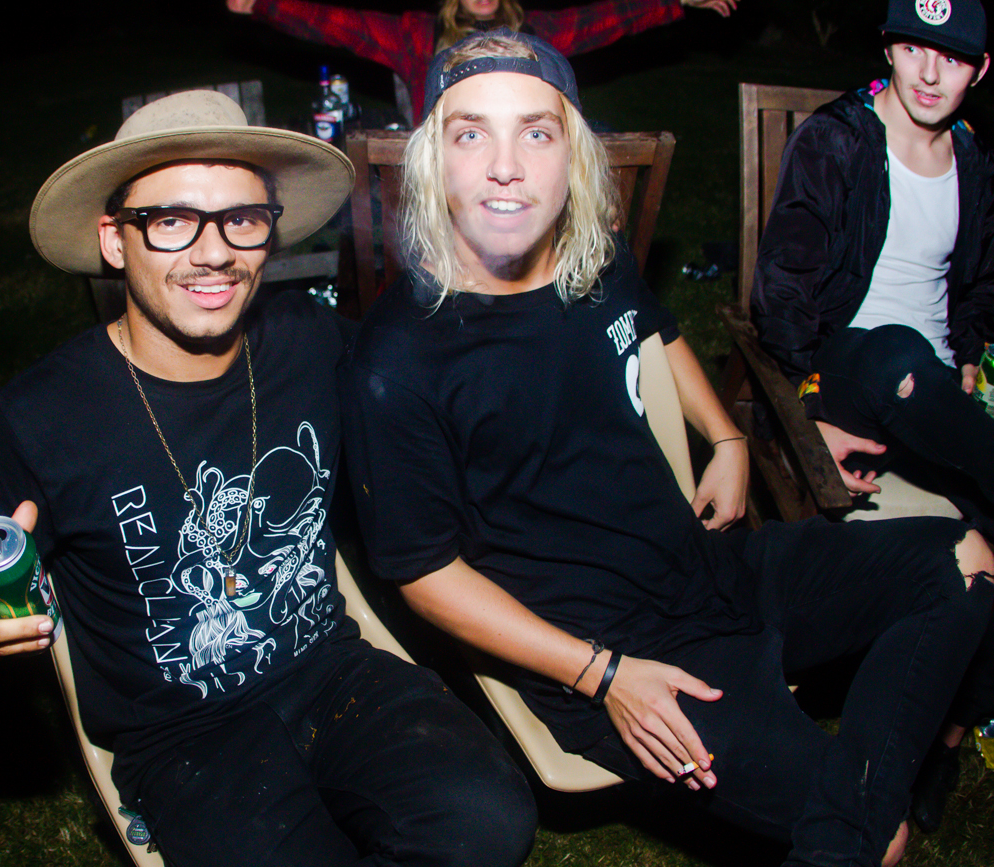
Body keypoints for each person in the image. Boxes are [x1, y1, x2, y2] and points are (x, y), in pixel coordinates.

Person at [339, 29, 994, 867]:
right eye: (472, 133)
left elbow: (657, 328)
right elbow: (424, 574)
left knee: (965, 559)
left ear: (573, 154)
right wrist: (604, 675)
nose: (505, 166)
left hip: (710, 565)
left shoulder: (590, 258)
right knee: (876, 841)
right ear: (435, 159)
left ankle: (867, 799)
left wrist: (726, 437)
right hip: (614, 650)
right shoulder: (398, 359)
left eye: (536, 132)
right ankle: (870, 814)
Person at [0, 90, 535, 867]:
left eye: (241, 218)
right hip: (182, 736)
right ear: (115, 239)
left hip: (330, 668)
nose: (214, 252)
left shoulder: (308, 339)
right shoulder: (41, 417)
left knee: (490, 820)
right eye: (172, 220)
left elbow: (423, 390)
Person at [752, 0, 994, 830]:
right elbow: (782, 289)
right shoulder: (839, 140)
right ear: (888, 47)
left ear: (981, 70)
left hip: (935, 405)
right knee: (896, 352)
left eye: (952, 58)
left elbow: (976, 284)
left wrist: (970, 354)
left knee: (984, 529)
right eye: (916, 48)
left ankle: (944, 743)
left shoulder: (971, 155)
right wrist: (807, 403)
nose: (930, 72)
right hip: (851, 372)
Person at [227, 0, 736, 120]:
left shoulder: (538, 31)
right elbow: (339, 24)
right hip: (444, 176)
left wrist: (674, 2)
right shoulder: (416, 34)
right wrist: (266, 5)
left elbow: (607, 20)